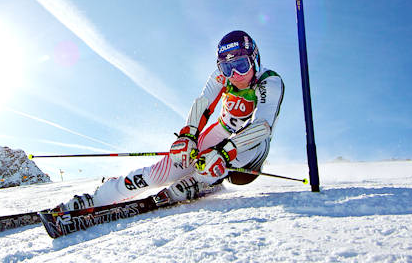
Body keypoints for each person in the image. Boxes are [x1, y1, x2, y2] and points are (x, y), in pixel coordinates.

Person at [58, 30, 284, 211]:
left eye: (241, 65)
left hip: (249, 157)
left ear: (255, 60)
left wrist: (226, 151)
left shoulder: (269, 81)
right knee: (160, 172)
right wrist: (188, 136)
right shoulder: (220, 77)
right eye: (226, 67)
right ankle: (100, 198)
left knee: (224, 158)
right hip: (221, 132)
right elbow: (203, 103)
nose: (234, 74)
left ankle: (201, 181)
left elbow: (262, 127)